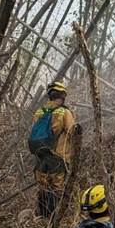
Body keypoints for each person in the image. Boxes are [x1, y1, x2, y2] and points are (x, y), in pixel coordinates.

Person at [28, 80, 75, 219]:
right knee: (56, 186)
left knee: (43, 185)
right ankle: (55, 218)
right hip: (58, 156)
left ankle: (43, 216)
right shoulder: (64, 112)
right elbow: (72, 131)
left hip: (40, 156)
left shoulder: (39, 112)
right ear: (63, 95)